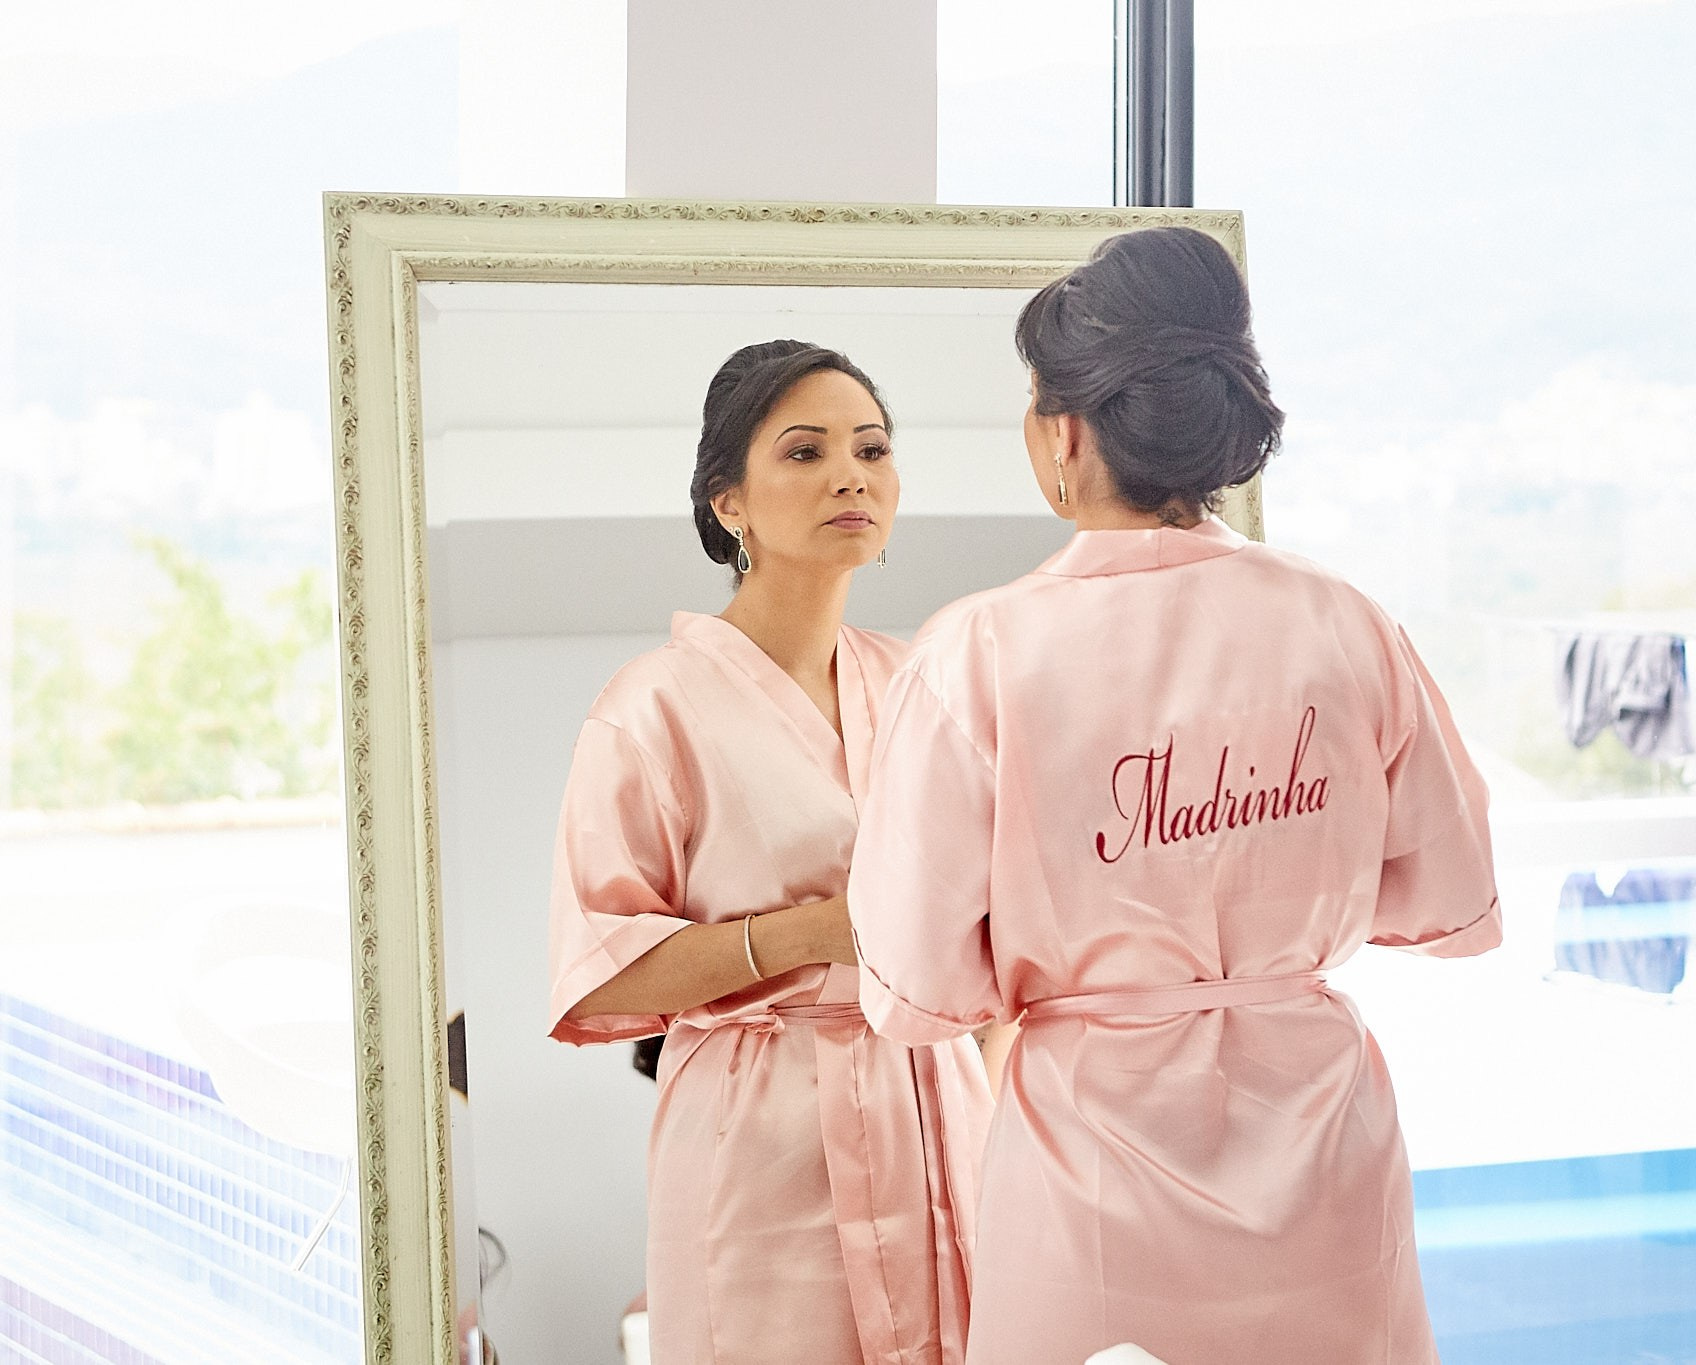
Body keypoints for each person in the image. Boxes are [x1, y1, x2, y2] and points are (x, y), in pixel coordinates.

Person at [848, 227, 1501, 1365]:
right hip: (1321, 1158)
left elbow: (912, 992)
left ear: (1061, 433)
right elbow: (1451, 903)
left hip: (1087, 1168)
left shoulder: (977, 654)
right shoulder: (1341, 621)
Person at [548, 339, 993, 1365]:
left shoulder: (927, 681)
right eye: (803, 452)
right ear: (727, 504)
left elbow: (996, 933)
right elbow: (599, 968)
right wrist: (822, 932)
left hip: (933, 1104)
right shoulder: (647, 708)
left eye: (871, 449)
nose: (850, 474)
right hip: (753, 1132)